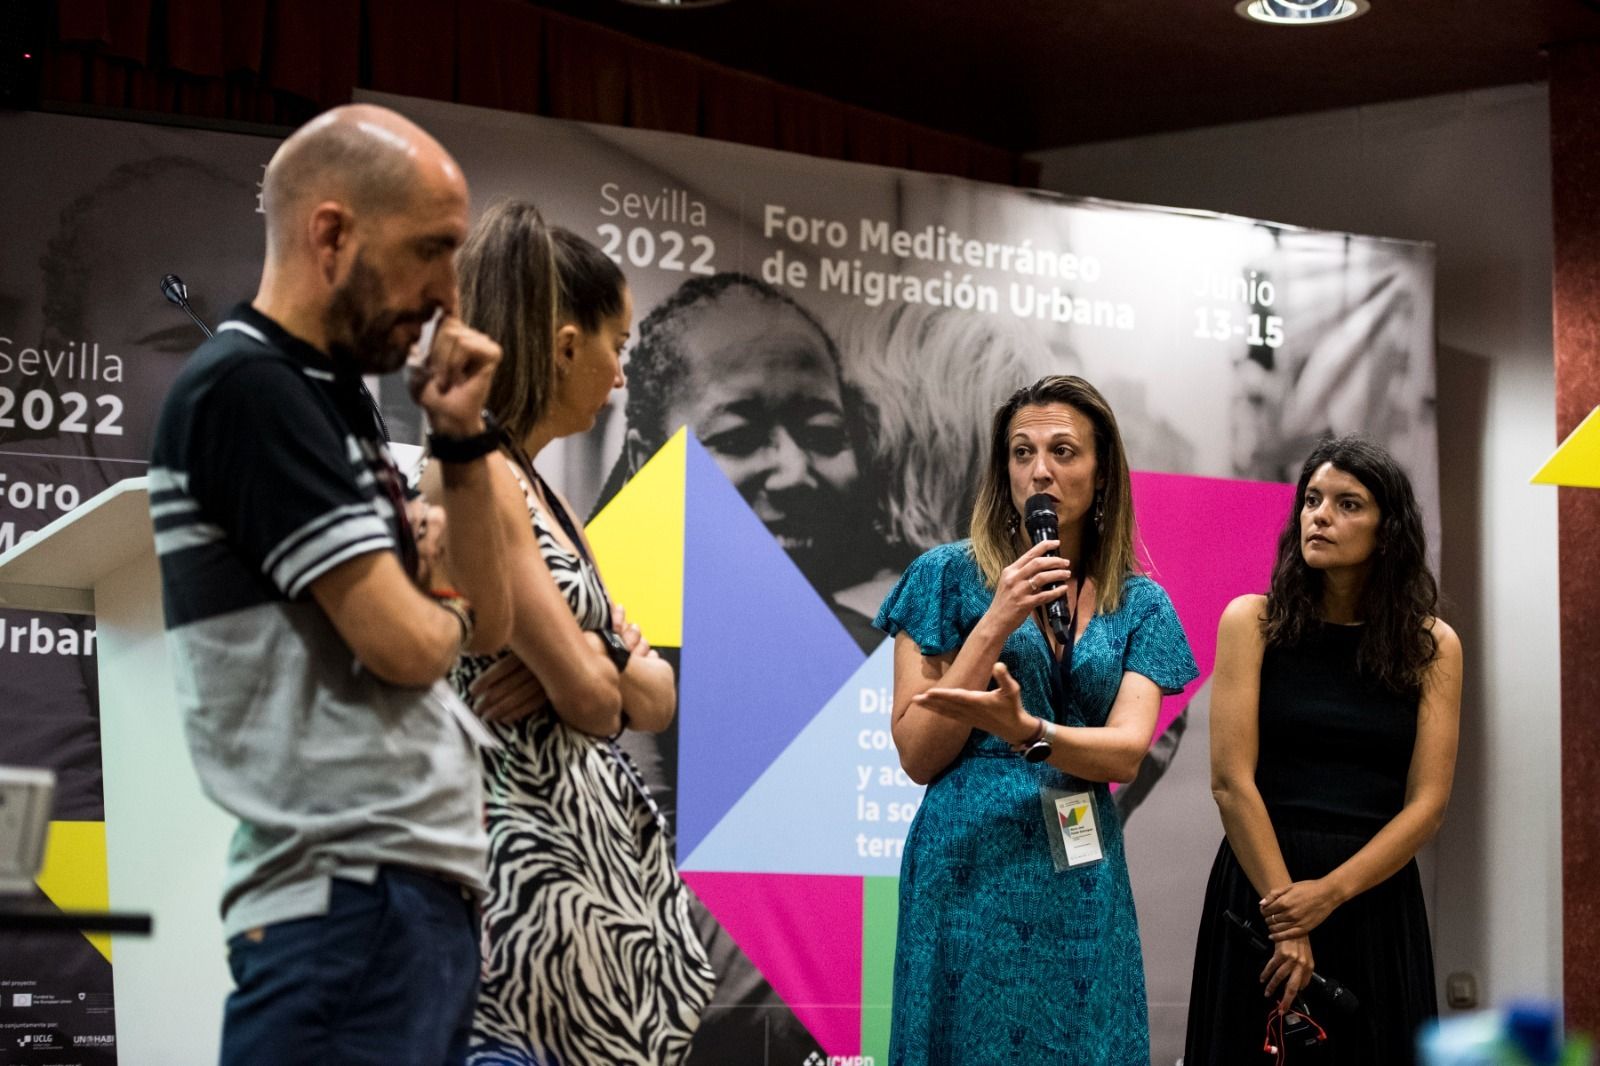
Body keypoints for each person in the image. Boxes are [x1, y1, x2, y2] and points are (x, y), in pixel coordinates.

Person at [149, 104, 513, 1066]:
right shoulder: (249, 388)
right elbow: (407, 644)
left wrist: (463, 438)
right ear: (331, 233)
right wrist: (435, 598)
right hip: (350, 893)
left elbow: (487, 623)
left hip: (392, 892)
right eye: (431, 251)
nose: (447, 294)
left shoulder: (330, 395)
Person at [418, 202, 715, 1066]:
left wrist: (592, 663)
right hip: (524, 891)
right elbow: (593, 695)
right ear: (564, 343)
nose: (622, 376)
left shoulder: (544, 496)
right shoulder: (481, 480)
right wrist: (591, 667)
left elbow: (651, 693)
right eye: (617, 346)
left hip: (584, 894)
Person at [875, 373, 1198, 1066]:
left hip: (1078, 861)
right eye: (1022, 453)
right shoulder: (943, 578)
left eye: (1062, 451)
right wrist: (996, 620)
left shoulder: (1141, 605)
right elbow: (916, 754)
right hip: (967, 861)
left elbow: (1123, 755)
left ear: (1103, 470)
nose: (1040, 471)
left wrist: (1031, 733)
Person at [1184, 435, 1462, 1065]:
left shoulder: (1432, 645)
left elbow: (1427, 807)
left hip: (1372, 898)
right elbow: (1231, 782)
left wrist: (1327, 895)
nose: (1320, 515)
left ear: (1388, 532)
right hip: (1263, 885)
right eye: (1311, 500)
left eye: (1347, 504)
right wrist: (1290, 915)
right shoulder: (1251, 621)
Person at [599, 271, 880, 650]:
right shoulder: (585, 651)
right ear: (647, 462)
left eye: (824, 434)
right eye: (737, 438)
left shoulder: (883, 667)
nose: (794, 473)